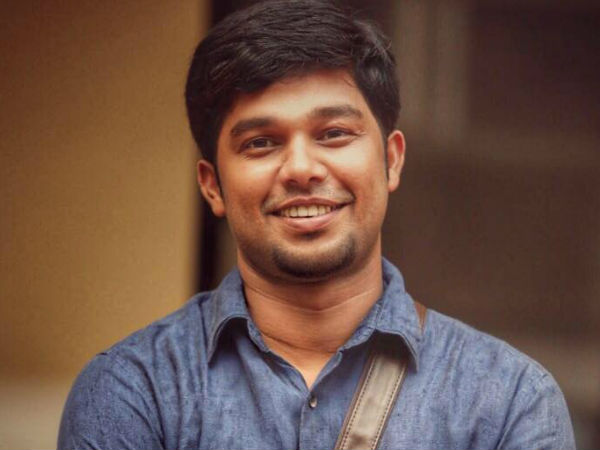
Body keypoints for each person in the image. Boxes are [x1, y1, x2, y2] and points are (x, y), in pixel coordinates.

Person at [57, 1, 576, 449]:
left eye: (333, 133)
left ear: (392, 160)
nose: (302, 168)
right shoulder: (134, 390)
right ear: (212, 186)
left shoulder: (508, 401)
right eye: (261, 142)